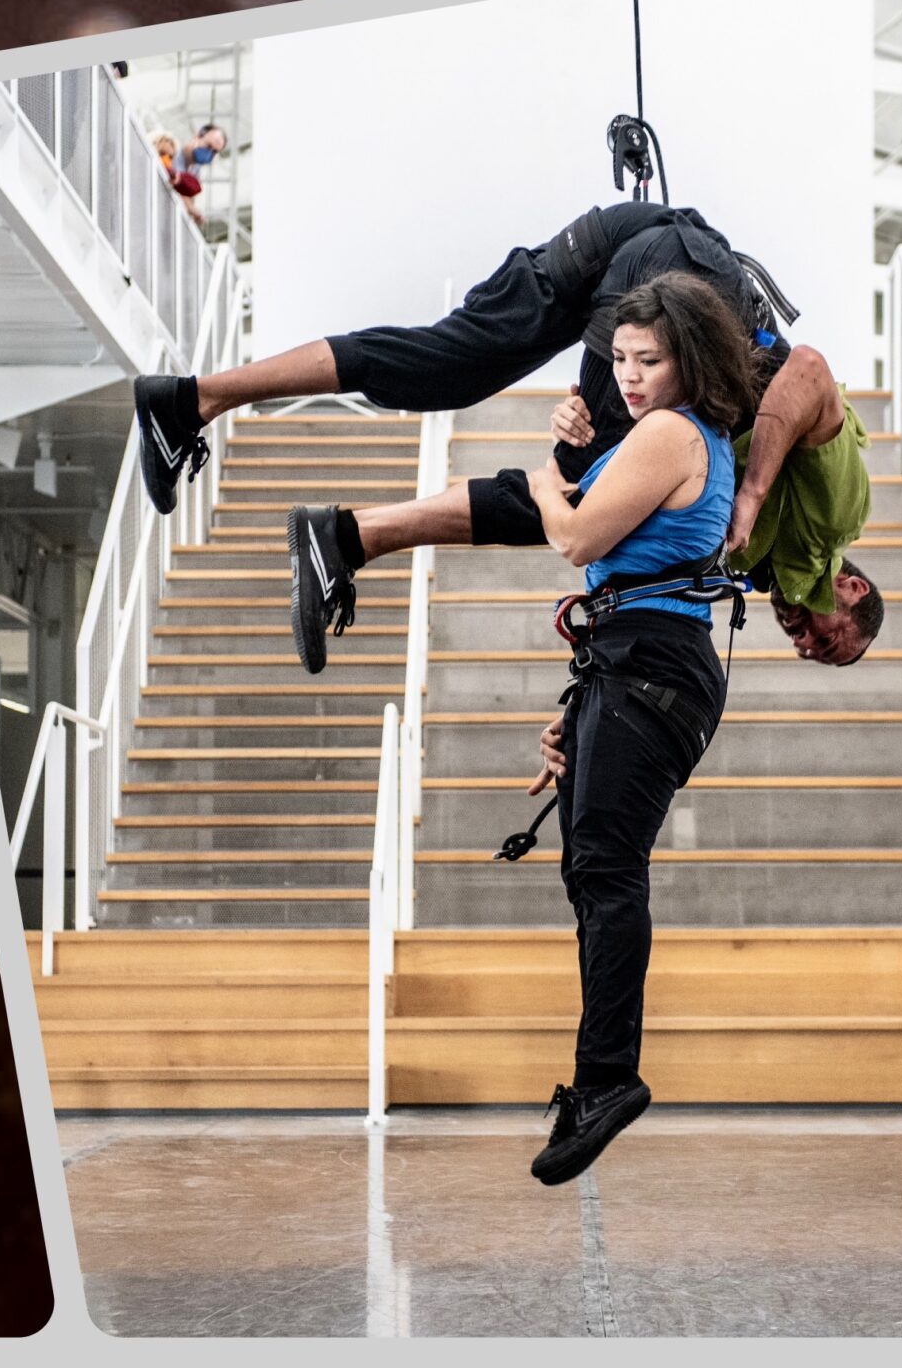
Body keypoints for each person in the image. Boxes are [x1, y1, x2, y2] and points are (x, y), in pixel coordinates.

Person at [318, 274, 762, 1181]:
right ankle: (601, 1077)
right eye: (621, 360)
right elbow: (602, 537)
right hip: (635, 658)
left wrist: (536, 478)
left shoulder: (675, 432)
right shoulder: (664, 434)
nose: (630, 376)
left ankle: (607, 1079)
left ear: (691, 359)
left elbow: (578, 540)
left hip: (650, 660)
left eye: (650, 360)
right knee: (594, 866)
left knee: (605, 869)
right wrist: (566, 459)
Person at [286, 318, 886, 673]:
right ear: (852, 588)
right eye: (826, 638)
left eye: (808, 653)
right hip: (699, 334)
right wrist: (752, 493)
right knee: (474, 360)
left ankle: (348, 535)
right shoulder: (838, 518)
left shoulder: (748, 567)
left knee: (565, 500)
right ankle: (339, 526)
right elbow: (808, 368)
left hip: (655, 392)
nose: (803, 642)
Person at [132, 196, 789, 515]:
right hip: (664, 261)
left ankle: (194, 398)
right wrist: (755, 490)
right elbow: (808, 371)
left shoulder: (717, 424)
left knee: (439, 369)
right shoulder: (782, 424)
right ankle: (347, 535)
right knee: (576, 482)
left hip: (615, 244)